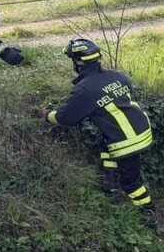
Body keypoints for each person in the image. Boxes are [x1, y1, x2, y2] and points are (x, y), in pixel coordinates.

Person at [42, 38, 157, 229]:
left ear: (78, 62)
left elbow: (65, 118)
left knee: (132, 183)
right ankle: (111, 186)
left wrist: (47, 115)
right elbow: (126, 90)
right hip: (142, 129)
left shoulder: (85, 89)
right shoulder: (116, 76)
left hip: (127, 141)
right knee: (105, 145)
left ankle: (148, 216)